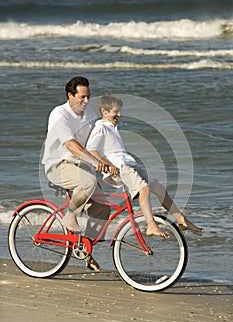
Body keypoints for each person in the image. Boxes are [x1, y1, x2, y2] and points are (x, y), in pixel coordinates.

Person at [86, 94, 204, 237]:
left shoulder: (112, 127)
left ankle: (182, 220)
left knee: (159, 188)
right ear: (105, 112)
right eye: (115, 112)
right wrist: (107, 164)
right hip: (120, 167)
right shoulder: (101, 127)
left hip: (129, 163)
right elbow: (91, 149)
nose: (119, 114)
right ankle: (151, 224)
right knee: (144, 189)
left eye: (119, 111)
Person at [42, 76, 116, 271]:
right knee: (89, 181)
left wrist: (112, 162)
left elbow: (96, 144)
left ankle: (83, 249)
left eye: (88, 97)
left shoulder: (91, 114)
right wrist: (94, 163)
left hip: (81, 167)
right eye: (82, 97)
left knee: (102, 209)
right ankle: (70, 215)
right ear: (70, 95)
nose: (86, 101)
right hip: (57, 164)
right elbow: (71, 145)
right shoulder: (60, 114)